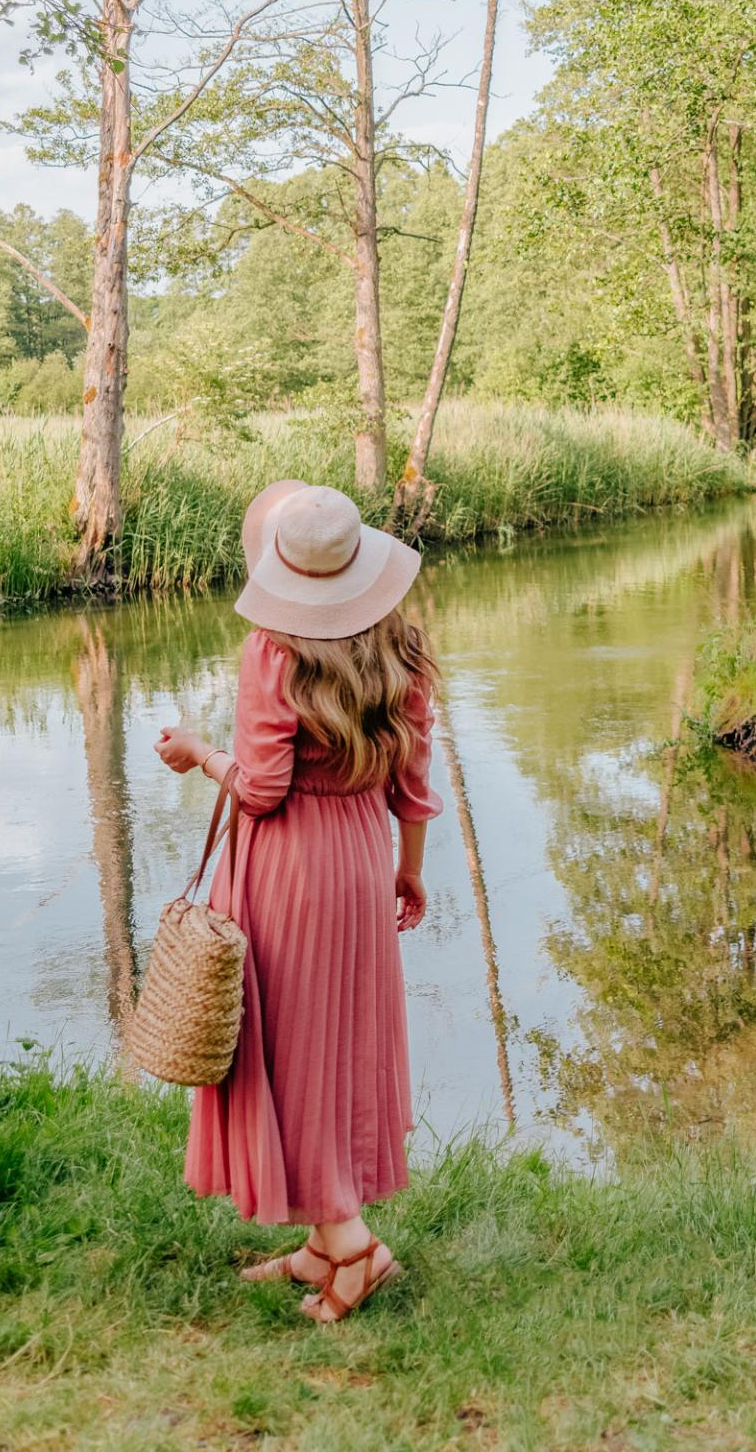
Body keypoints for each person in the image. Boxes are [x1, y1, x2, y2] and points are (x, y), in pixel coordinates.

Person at [155, 478, 442, 1324]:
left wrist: (197, 753)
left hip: (289, 869)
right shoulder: (404, 644)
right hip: (359, 858)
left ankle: (356, 1250)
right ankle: (321, 1240)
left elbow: (264, 790)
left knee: (291, 1051)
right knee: (339, 1047)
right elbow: (414, 787)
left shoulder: (272, 652)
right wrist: (407, 870)